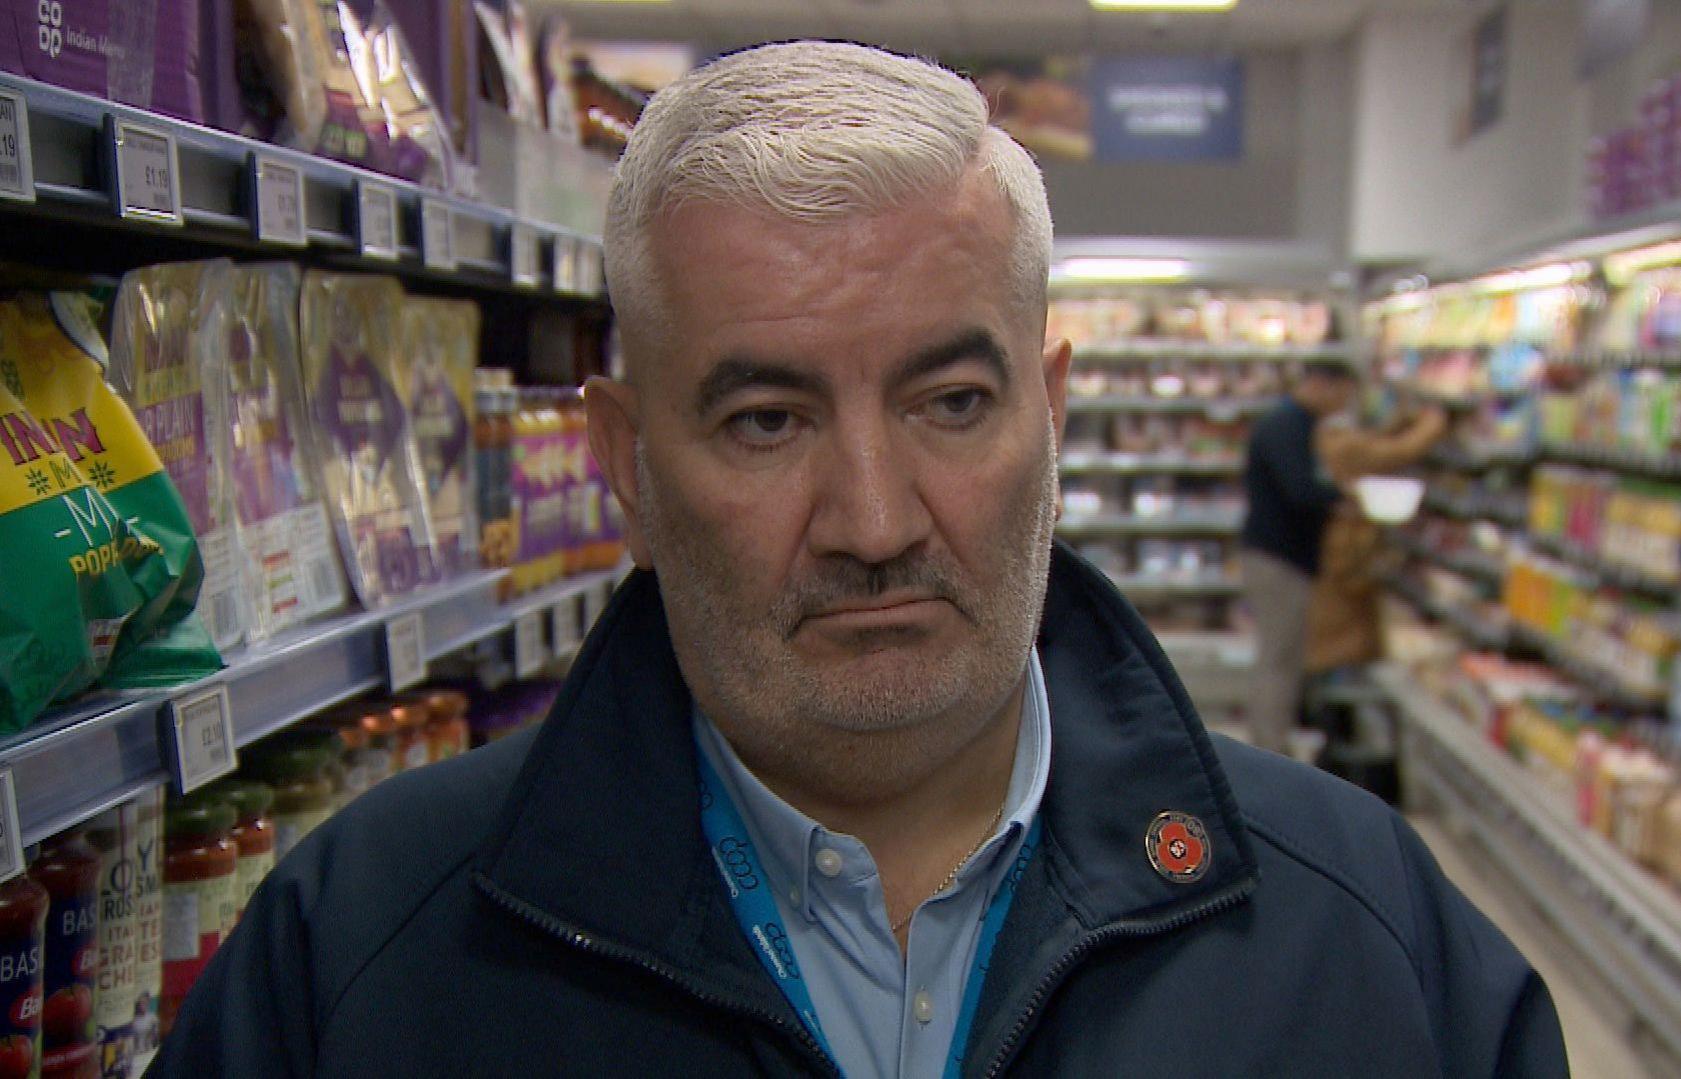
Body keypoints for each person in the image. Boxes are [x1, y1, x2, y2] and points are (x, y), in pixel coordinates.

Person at [152, 42, 1567, 1077]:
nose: (876, 518)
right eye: (766, 420)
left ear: (1052, 418)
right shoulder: (352, 965)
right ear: (626, 465)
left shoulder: (1367, 935)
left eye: (952, 403)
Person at [1240, 359, 1358, 756]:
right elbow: (1300, 490)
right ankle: (1269, 746)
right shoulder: (1286, 426)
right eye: (1343, 394)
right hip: (1278, 558)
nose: (1343, 404)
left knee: (1283, 657)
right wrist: (1343, 498)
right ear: (1324, 384)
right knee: (1278, 659)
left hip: (1281, 556)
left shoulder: (1295, 423)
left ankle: (1273, 740)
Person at [1306, 403, 1450, 678]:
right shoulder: (1346, 448)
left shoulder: (1330, 441)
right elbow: (1398, 452)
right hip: (1348, 552)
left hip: (1337, 548)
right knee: (1345, 630)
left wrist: (1399, 421)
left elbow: (1374, 444)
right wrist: (1434, 421)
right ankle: (1337, 691)